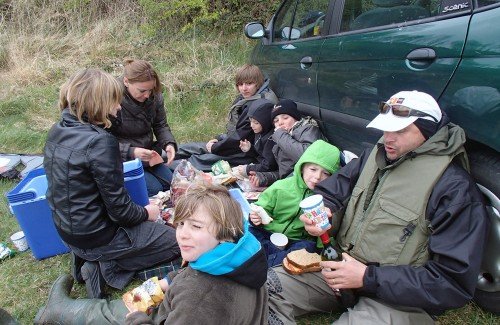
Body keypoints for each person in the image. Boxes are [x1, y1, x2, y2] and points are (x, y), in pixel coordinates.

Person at [266, 90, 489, 324]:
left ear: (427, 131)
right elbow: (333, 189)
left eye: (399, 130)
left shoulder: (454, 189)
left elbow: (452, 283)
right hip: (340, 271)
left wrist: (368, 277)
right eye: (386, 128)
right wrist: (325, 212)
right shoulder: (376, 155)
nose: (388, 138)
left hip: (399, 300)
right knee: (264, 289)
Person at [35, 185, 268, 325]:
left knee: (118, 312)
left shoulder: (197, 297)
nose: (182, 234)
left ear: (225, 234)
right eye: (181, 223)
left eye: (196, 226)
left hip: (173, 314)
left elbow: (198, 297)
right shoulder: (244, 257)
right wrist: (170, 281)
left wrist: (138, 319)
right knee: (138, 299)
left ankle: (57, 311)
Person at [43, 68, 180, 299]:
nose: (118, 108)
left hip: (67, 232)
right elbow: (121, 212)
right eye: (115, 102)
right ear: (100, 102)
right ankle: (109, 266)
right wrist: (148, 212)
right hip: (98, 236)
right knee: (177, 242)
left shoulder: (57, 130)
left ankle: (92, 259)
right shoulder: (100, 142)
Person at [249, 139, 341, 267]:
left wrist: (324, 248)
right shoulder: (281, 187)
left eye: (326, 173)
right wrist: (255, 217)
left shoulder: (326, 199)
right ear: (302, 167)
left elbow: (323, 229)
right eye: (313, 169)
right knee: (249, 234)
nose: (317, 177)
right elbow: (261, 207)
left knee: (306, 249)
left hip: (297, 240)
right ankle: (261, 260)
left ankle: (266, 265)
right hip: (269, 232)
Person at [173, 64, 278, 171]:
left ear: (258, 83)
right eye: (240, 84)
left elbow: (241, 137)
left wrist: (215, 147)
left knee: (198, 160)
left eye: (249, 84)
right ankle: (164, 153)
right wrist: (219, 139)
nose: (244, 88)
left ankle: (166, 167)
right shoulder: (247, 97)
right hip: (232, 144)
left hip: (244, 151)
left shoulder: (259, 106)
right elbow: (235, 131)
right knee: (188, 148)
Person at [111, 59, 177, 196]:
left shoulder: (155, 97)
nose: (147, 95)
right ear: (126, 82)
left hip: (149, 155)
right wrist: (131, 151)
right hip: (121, 159)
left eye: (150, 90)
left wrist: (168, 144)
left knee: (171, 184)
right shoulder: (111, 99)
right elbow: (101, 141)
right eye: (142, 91)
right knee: (153, 190)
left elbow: (160, 125)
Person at [249, 99, 324, 187]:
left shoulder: (307, 130)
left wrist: (280, 135)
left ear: (296, 118)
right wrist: (264, 177)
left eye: (285, 118)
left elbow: (306, 157)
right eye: (276, 121)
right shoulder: (281, 138)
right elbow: (285, 173)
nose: (280, 122)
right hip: (292, 184)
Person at [237, 98, 278, 177]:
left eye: (256, 122)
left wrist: (248, 169)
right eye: (250, 121)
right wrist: (250, 149)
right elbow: (260, 155)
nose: (251, 125)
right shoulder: (260, 131)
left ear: (266, 122)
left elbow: (269, 165)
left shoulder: (271, 139)